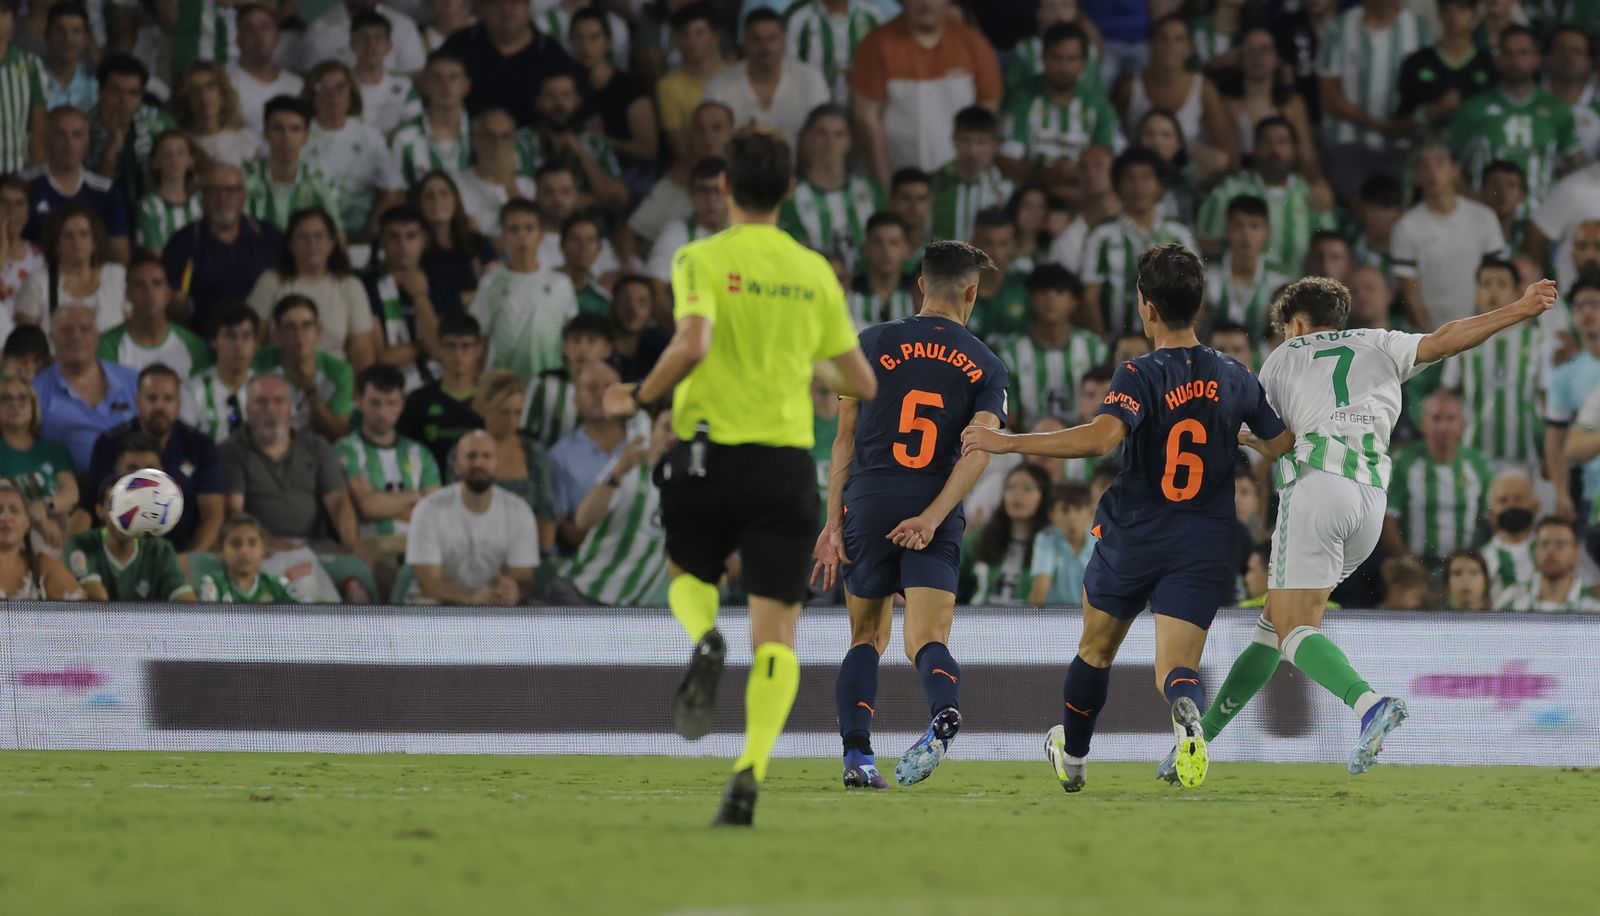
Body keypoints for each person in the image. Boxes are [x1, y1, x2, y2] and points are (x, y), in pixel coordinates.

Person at [599, 129, 875, 826]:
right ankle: (750, 769)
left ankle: (703, 636)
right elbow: (862, 381)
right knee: (776, 637)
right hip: (784, 466)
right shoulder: (813, 271)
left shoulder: (701, 256)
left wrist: (640, 396)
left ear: (724, 186)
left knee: (686, 573)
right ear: (790, 189)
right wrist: (802, 357)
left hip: (707, 454)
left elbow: (693, 342)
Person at [961, 243, 1293, 793]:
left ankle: (1074, 758)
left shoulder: (1139, 373)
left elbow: (1100, 440)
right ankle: (1186, 713)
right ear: (1199, 304)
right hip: (1203, 540)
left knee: (1096, 650)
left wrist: (1008, 441)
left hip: (1134, 534)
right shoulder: (1236, 374)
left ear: (1146, 307)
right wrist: (1234, 431)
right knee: (1176, 670)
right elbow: (1280, 443)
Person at [1200, 275, 1556, 774]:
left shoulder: (1283, 357)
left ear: (1295, 325)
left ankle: (1369, 705)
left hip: (1317, 486)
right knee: (1275, 623)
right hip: (1369, 504)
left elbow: (1279, 442)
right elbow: (1448, 338)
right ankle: (1198, 741)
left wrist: (1236, 436)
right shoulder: (1381, 342)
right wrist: (1519, 308)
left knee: (1293, 626)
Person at [810, 238, 1008, 789]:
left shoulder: (868, 343)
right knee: (926, 637)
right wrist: (933, 517)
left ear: (920, 284)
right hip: (932, 502)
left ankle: (857, 757)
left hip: (869, 500)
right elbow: (980, 450)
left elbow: (844, 439)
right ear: (972, 293)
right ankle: (944, 710)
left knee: (866, 637)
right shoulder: (987, 363)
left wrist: (832, 524)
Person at [849, 0, 1002, 182]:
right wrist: (885, 183)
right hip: (900, 179)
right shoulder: (876, 45)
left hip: (958, 180)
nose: (927, 3)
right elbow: (867, 119)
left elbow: (987, 112)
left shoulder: (974, 44)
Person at [86, 363, 226, 553]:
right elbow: (90, 506)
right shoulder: (109, 443)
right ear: (137, 401)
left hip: (184, 550)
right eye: (152, 398)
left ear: (179, 403)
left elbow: (213, 515)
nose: (160, 406)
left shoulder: (201, 446)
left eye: (168, 399)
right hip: (120, 551)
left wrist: (189, 559)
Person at [220, 373, 361, 554]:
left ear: (291, 408)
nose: (271, 409)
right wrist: (287, 550)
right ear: (247, 409)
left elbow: (339, 502)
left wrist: (351, 548)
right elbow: (236, 514)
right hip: (262, 550)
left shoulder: (317, 446)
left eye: (279, 401)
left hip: (318, 548)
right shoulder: (231, 451)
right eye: (261, 402)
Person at [550, 407, 676, 606]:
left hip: (628, 610)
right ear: (652, 431)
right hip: (579, 595)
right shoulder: (629, 469)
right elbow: (583, 519)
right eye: (667, 428)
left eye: (682, 432)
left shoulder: (689, 489)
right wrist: (618, 472)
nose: (673, 438)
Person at [336, 364, 441, 596]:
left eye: (391, 403)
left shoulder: (420, 453)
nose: (383, 412)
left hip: (415, 547)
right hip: (373, 547)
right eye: (375, 403)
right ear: (359, 402)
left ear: (402, 404)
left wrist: (382, 502)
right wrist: (417, 496)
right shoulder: (346, 451)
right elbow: (368, 506)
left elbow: (434, 513)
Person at [405, 428, 538, 604]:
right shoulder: (429, 509)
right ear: (456, 465)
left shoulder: (519, 510)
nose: (479, 463)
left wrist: (513, 590)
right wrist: (472, 599)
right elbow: (428, 582)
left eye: (486, 456)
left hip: (493, 605)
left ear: (497, 464)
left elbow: (524, 577)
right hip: (441, 606)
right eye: (471, 456)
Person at [1452, 25, 1580, 205]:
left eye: (1523, 53)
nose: (1515, 61)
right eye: (1507, 53)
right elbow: (1450, 168)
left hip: (1541, 214)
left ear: (1537, 59)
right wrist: (1475, 204)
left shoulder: (1558, 110)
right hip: (1486, 215)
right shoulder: (1473, 109)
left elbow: (1577, 166)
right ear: (1497, 59)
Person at [1315, 0, 1431, 199]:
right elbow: (1330, 98)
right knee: (1361, 209)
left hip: (1403, 148)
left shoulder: (1420, 30)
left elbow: (1428, 87)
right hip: (1348, 144)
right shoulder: (1338, 29)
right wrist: (1381, 127)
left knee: (1396, 207)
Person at [1439, 259, 1545, 475]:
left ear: (1517, 292)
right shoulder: (1464, 340)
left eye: (1502, 284)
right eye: (1485, 284)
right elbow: (1447, 395)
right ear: (1476, 293)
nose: (1493, 292)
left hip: (1524, 456)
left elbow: (1546, 398)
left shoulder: (1538, 340)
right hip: (1473, 454)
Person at [1079, 147, 1198, 338]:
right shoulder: (1101, 235)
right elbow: (1089, 297)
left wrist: (1182, 343)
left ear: (1160, 186)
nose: (1138, 186)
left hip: (1168, 343)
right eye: (1130, 178)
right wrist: (1103, 346)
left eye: (1146, 177)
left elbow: (1196, 294)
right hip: (1114, 342)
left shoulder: (1179, 235)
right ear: (1117, 186)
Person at [1195, 117, 1335, 273]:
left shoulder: (1313, 197)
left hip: (1299, 286)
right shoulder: (1227, 193)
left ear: (1295, 150)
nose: (1275, 150)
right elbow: (1205, 246)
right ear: (1254, 148)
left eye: (1283, 142)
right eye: (1267, 142)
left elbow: (1331, 252)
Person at [1392, 145, 1507, 330]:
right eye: (1425, 166)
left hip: (1480, 328)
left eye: (1439, 164)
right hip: (1434, 332)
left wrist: (1486, 329)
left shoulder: (1484, 217)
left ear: (1455, 171)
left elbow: (1498, 276)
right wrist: (1433, 340)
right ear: (1416, 176)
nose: (1432, 173)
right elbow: (1411, 297)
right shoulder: (1406, 227)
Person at [246, 208, 377, 370]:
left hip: (334, 378)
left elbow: (362, 354)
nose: (312, 243)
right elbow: (253, 341)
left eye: (319, 236)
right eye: (303, 237)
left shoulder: (350, 286)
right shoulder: (271, 282)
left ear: (332, 243)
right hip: (280, 376)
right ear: (290, 244)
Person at [161, 163, 283, 334]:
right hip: (203, 339)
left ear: (244, 196)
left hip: (261, 338)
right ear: (203, 197)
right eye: (213, 191)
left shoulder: (268, 236)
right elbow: (171, 298)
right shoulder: (183, 242)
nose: (222, 198)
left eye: (231, 191)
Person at [998, 23, 1120, 185]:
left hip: (1083, 192)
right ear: (1043, 58)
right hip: (1030, 191)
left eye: (1072, 59)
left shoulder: (1098, 105)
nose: (1064, 67)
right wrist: (1044, 176)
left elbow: (1111, 157)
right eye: (1056, 58)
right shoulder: (1022, 99)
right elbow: (1006, 159)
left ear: (1083, 63)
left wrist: (1076, 174)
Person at [1383, 387, 1494, 566]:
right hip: (1414, 565)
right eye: (1436, 418)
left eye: (1450, 419)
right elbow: (1388, 521)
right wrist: (1407, 561)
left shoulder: (1479, 465)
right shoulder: (1402, 463)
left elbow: (1493, 518)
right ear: (1422, 423)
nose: (1443, 427)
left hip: (1465, 567)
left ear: (1463, 425)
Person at [472, 199, 578, 381]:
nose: (522, 236)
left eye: (529, 228)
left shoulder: (561, 283)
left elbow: (573, 337)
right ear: (504, 235)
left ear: (541, 234)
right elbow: (479, 338)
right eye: (514, 229)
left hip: (549, 383)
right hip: (503, 384)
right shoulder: (491, 283)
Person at [994, 263, 1108, 430]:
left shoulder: (1095, 349)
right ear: (1031, 299)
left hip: (1083, 440)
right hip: (1027, 441)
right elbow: (1009, 418)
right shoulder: (1010, 352)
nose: (1050, 299)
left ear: (1074, 302)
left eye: (1060, 292)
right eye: (1042, 292)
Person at [1113, 15, 1237, 169]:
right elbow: (1112, 135)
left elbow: (1224, 145)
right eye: (1163, 39)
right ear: (1151, 45)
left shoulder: (1204, 89)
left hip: (1186, 172)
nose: (1170, 46)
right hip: (1140, 171)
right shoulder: (1129, 88)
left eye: (1178, 39)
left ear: (1189, 48)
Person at [302, 60, 404, 242]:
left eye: (340, 88)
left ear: (351, 93)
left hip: (361, 234)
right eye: (324, 88)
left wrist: (371, 231)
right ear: (312, 94)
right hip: (309, 235)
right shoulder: (298, 133)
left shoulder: (369, 134)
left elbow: (391, 189)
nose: (333, 96)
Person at [439, 0, 582, 129]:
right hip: (463, 140)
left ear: (527, 6)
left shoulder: (552, 55)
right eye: (496, 3)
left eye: (514, 2)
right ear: (481, 8)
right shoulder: (458, 46)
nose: (506, 10)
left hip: (536, 145)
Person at [32, 302, 139, 474]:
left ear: (97, 336)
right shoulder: (36, 390)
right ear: (51, 337)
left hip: (133, 481)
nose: (76, 336)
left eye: (85, 329)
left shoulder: (132, 380)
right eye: (66, 330)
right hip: (69, 484)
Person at [22, 106, 132, 265]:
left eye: (77, 135)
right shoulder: (24, 186)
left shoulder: (106, 192)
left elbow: (121, 257)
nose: (69, 144)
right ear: (45, 139)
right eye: (60, 135)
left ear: (87, 141)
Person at [704, 9, 829, 148]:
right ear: (744, 42)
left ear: (784, 42)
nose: (765, 46)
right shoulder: (719, 87)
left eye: (772, 38)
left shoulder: (811, 81)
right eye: (756, 39)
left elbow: (826, 133)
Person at [778, 105, 881, 269]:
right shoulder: (790, 196)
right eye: (822, 133)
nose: (830, 142)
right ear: (807, 139)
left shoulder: (872, 191)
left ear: (849, 141)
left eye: (839, 134)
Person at [67, 474, 196, 603]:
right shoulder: (81, 543)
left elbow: (185, 599)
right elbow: (97, 600)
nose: (124, 513)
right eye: (116, 504)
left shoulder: (160, 549)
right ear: (100, 510)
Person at [517, 71, 629, 215]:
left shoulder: (595, 144)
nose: (559, 104)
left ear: (578, 100)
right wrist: (591, 200)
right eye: (550, 96)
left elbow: (618, 199)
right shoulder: (520, 142)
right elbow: (518, 198)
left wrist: (582, 155)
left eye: (566, 95)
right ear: (537, 101)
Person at [550, 361, 630, 549]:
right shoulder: (560, 455)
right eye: (592, 388)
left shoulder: (645, 445)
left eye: (608, 387)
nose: (601, 393)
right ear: (576, 400)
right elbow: (563, 528)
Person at [253, 294, 355, 442]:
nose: (299, 335)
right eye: (290, 327)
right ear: (277, 334)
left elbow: (339, 434)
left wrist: (311, 392)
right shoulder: (258, 364)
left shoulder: (339, 372)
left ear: (318, 331)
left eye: (306, 325)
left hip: (318, 450)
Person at [1222, 25, 1321, 177]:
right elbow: (1230, 161)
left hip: (1287, 181)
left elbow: (1307, 157)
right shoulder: (1227, 105)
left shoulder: (1294, 103)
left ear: (1277, 59)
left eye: (1265, 50)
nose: (1257, 57)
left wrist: (1316, 181)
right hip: (1244, 181)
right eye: (1249, 50)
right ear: (1240, 59)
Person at [0, 376, 82, 551]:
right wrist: (40, 521)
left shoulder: (54, 449)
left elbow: (71, 493)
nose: (15, 404)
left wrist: (45, 507)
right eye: (6, 398)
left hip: (57, 523)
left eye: (22, 398)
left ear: (33, 405)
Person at [15, 203, 126, 332]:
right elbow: (26, 339)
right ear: (56, 244)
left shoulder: (116, 276)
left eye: (84, 234)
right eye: (68, 235)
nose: (77, 241)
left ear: (95, 241)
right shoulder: (38, 282)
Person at [365, 205, 442, 391]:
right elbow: (382, 357)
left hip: (440, 382)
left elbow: (441, 350)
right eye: (394, 237)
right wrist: (425, 346)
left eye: (411, 236)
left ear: (424, 240)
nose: (403, 245)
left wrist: (420, 296)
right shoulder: (367, 286)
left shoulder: (440, 279)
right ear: (382, 241)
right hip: (388, 388)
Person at [569, 8, 656, 168]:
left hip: (627, 170)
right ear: (571, 42)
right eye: (579, 38)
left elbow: (649, 149)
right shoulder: (565, 86)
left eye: (594, 38)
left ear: (607, 42)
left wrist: (607, 142)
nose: (586, 46)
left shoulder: (630, 86)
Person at [1543, 274, 1600, 520]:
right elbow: (1555, 439)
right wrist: (1561, 493)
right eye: (1579, 305)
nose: (1587, 312)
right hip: (1589, 490)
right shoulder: (1564, 375)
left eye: (1595, 303)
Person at [244, 96, 345, 236]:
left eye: (295, 129)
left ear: (306, 136)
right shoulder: (244, 177)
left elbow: (337, 232)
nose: (286, 138)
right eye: (278, 128)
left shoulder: (320, 178)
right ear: (265, 134)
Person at [1396, 0, 1493, 140]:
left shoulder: (1489, 65)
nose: (1453, 15)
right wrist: (1432, 112)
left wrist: (1466, 110)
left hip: (1475, 147)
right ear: (1438, 14)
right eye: (1446, 9)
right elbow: (1399, 123)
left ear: (1475, 15)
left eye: (1461, 8)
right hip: (1426, 147)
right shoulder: (1416, 62)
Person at [398, 312, 484, 469]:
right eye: (450, 346)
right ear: (438, 348)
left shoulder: (490, 402)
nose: (458, 355)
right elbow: (405, 454)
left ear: (479, 350)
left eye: (466, 346)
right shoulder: (418, 401)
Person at [99, 256, 211, 377]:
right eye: (139, 284)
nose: (149, 291)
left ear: (168, 293)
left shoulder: (195, 348)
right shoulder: (105, 346)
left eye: (157, 283)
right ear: (127, 293)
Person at [88, 54, 175, 210]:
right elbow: (92, 195)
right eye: (115, 92)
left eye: (133, 93)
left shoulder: (160, 123)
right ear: (100, 92)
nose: (124, 102)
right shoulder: (82, 128)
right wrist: (111, 149)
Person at [520, 312, 614, 448]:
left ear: (608, 349)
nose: (582, 347)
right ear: (564, 345)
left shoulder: (615, 391)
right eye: (575, 340)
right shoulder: (543, 383)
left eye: (592, 341)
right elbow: (524, 434)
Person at [1202, 195, 1289, 339]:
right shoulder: (1208, 275)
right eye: (1238, 226)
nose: (1246, 235)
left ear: (1267, 232)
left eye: (1254, 226)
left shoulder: (1279, 280)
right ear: (1227, 229)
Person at [927, 106, 1014, 247]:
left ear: (993, 144)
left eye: (981, 142)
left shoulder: (1005, 188)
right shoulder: (932, 184)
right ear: (954, 139)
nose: (972, 151)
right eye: (965, 140)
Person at [413, 170, 497, 314]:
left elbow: (495, 291)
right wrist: (469, 298)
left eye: (444, 194)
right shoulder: (415, 250)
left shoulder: (477, 242)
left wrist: (461, 300)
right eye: (429, 196)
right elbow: (429, 302)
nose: (437, 201)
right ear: (419, 204)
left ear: (455, 199)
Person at [656, 2, 729, 164]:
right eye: (685, 34)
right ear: (676, 41)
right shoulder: (668, 87)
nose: (692, 41)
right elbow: (679, 147)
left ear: (715, 38)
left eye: (699, 33)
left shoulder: (734, 76)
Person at [388, 52, 473, 189]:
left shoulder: (482, 134)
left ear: (466, 85)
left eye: (453, 77)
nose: (445, 85)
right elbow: (396, 193)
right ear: (425, 84)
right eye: (437, 78)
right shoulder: (404, 138)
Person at [451, 108, 536, 238]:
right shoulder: (455, 184)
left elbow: (527, 235)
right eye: (489, 136)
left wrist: (509, 183)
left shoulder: (529, 187)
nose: (497, 144)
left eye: (505, 137)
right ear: (474, 141)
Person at [182, 302, 259, 444]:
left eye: (246, 336)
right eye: (230, 336)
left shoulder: (268, 390)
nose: (239, 345)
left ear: (256, 343)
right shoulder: (193, 392)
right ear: (214, 342)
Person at [646, 157, 728, 288]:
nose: (711, 199)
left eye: (718, 190)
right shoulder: (674, 234)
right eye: (703, 190)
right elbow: (657, 285)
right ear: (691, 193)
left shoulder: (747, 233)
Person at [288, 0, 427, 77]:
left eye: (378, 37)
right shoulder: (318, 30)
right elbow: (309, 79)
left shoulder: (404, 26)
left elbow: (415, 76)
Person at [228, 4, 303, 138]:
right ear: (238, 40)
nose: (258, 35)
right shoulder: (226, 84)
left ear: (277, 37)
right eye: (250, 29)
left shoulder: (297, 86)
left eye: (265, 27)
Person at [1498, 516, 1600, 612]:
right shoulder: (1510, 599)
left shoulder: (1594, 607)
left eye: (1560, 544)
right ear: (1535, 551)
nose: (1550, 551)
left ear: (1576, 553)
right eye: (1544, 543)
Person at [169, 62, 259, 171]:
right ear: (185, 99)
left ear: (222, 94)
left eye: (210, 87)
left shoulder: (244, 139)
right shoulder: (179, 144)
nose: (203, 96)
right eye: (194, 90)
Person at [0, 478, 80, 599]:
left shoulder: (43, 566)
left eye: (14, 511)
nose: (6, 517)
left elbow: (85, 609)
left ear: (27, 522)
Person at [196, 513, 303, 603]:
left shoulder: (278, 585)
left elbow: (308, 614)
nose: (244, 551)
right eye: (236, 543)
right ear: (221, 551)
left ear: (263, 548)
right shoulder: (212, 585)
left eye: (252, 543)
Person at [349, 9, 421, 136]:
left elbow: (415, 127)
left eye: (378, 37)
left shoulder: (404, 85)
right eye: (363, 37)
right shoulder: (342, 85)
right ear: (352, 44)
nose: (370, 45)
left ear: (389, 45)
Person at [135, 131, 203, 257]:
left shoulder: (202, 201)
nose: (174, 160)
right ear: (155, 162)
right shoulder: (149, 205)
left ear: (190, 161)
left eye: (180, 153)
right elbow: (154, 253)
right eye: (167, 154)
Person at [1029, 481, 1098, 605]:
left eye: (1078, 509)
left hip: (1092, 614)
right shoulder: (1045, 539)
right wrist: (1034, 616)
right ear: (1051, 514)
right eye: (1064, 510)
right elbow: (1041, 586)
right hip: (1056, 615)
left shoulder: (1103, 541)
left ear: (1090, 513)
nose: (1072, 517)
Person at [1479, 467, 1537, 607]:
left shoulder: (1554, 551)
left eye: (1519, 499)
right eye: (1503, 500)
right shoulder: (1482, 559)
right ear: (1491, 512)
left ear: (1535, 507)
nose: (1511, 506)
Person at [0, 0, 46, 176]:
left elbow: (38, 129)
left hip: (17, 173)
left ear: (13, 18)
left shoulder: (30, 65)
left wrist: (33, 177)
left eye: (3, 11)